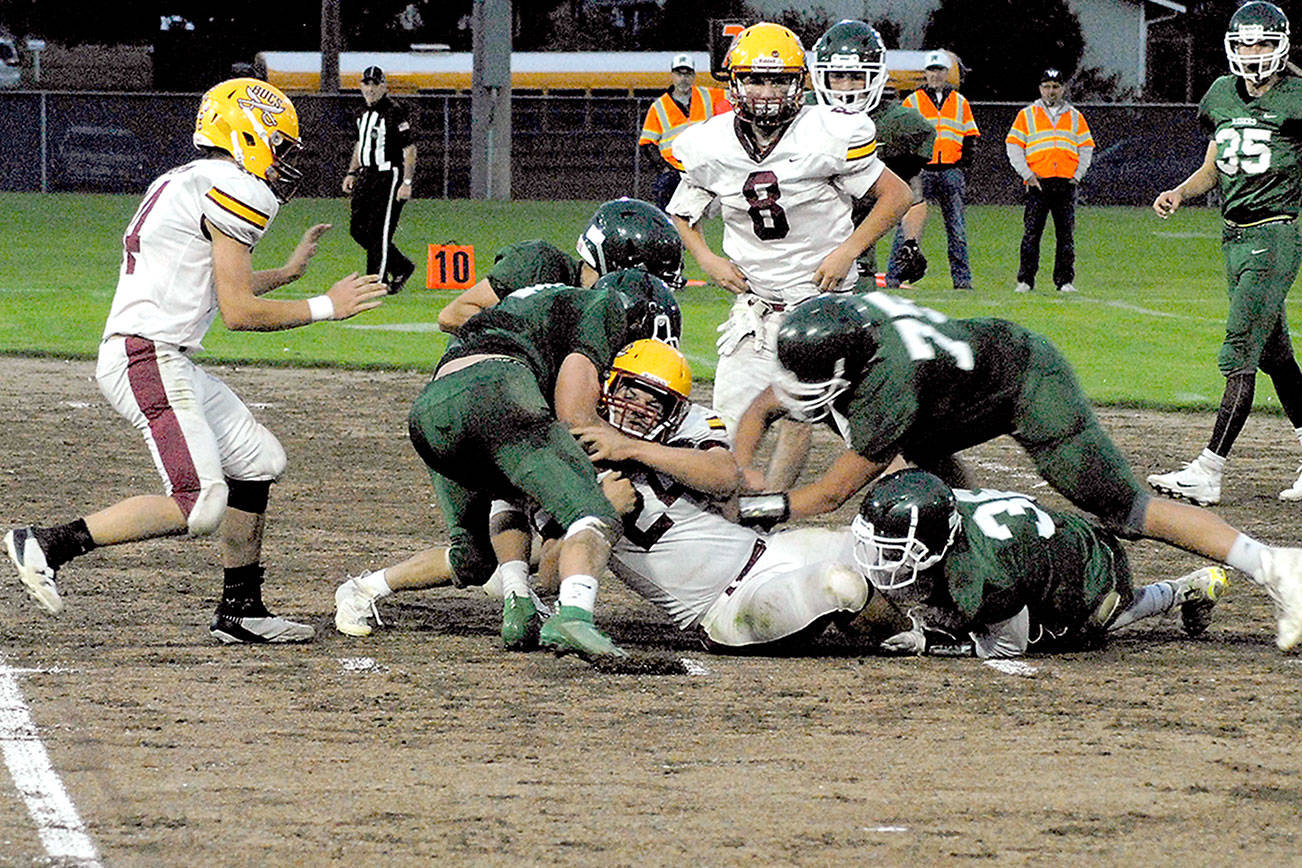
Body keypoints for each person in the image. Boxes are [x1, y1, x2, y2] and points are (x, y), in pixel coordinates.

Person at [3, 77, 387, 643]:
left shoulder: (188, 178)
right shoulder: (236, 186)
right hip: (147, 354)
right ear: (247, 133)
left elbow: (210, 282)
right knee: (200, 503)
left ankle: (241, 610)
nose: (283, 159)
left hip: (157, 353)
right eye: (278, 144)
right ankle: (48, 543)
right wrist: (327, 306)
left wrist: (286, 274)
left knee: (258, 460)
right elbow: (239, 311)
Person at [731, 291, 1302, 651]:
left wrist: (757, 506)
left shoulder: (888, 385)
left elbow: (832, 493)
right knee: (933, 492)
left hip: (1024, 381)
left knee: (1126, 509)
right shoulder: (851, 334)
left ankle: (1275, 565)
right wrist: (740, 471)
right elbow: (764, 405)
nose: (798, 393)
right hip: (950, 393)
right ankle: (966, 579)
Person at [337, 339, 875, 652]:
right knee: (840, 585)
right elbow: (552, 570)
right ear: (608, 386)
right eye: (632, 394)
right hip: (723, 606)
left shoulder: (684, 426)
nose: (640, 408)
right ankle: (369, 586)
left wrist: (632, 449)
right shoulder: (561, 448)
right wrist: (596, 520)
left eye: (654, 402)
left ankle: (913, 638)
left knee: (872, 549)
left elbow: (724, 475)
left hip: (768, 552)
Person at [664, 21, 911, 494]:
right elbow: (682, 210)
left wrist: (849, 250)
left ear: (799, 83)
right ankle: (737, 519)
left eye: (778, 80)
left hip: (826, 311)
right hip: (756, 312)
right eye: (755, 79)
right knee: (724, 437)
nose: (766, 92)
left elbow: (896, 195)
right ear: (734, 82)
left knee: (870, 437)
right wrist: (706, 258)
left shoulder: (827, 133)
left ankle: (930, 507)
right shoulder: (710, 144)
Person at [404, 271, 681, 659]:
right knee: (595, 509)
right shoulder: (605, 307)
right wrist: (619, 456)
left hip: (429, 419)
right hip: (493, 391)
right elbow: (574, 414)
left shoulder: (543, 303)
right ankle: (575, 616)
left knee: (477, 550)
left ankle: (518, 604)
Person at [1148, 1, 1302, 507]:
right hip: (1233, 237)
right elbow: (1213, 167)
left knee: (1240, 351)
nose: (1253, 53)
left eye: (1263, 43)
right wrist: (1179, 192)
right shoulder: (1220, 93)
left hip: (1274, 235)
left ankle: (1209, 470)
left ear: (1281, 45)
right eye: (1245, 44)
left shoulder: (1298, 97)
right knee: (1275, 354)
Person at [849, 469, 1229, 658]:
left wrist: (932, 642)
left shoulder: (988, 573)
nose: (883, 558)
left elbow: (1008, 647)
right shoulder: (941, 509)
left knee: (1085, 630)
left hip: (1091, 567)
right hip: (1045, 541)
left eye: (895, 549)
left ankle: (1183, 590)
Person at [806, 19, 936, 291]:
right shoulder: (799, 115)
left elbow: (911, 194)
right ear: (822, 76)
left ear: (875, 77)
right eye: (838, 76)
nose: (846, 87)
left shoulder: (897, 124)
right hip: (792, 259)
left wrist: (911, 242)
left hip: (856, 263)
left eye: (856, 76)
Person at [436, 197, 684, 334]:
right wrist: (532, 340)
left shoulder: (622, 309)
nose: (649, 289)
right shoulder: (538, 265)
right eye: (649, 277)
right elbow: (452, 315)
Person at [897, 50, 980, 291]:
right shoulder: (912, 101)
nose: (935, 75)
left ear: (946, 73)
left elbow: (970, 136)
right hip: (921, 171)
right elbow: (902, 135)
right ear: (925, 73)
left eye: (940, 70)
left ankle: (962, 281)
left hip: (951, 171)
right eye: (932, 70)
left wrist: (962, 165)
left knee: (957, 229)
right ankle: (896, 277)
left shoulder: (960, 102)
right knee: (908, 227)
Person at [1006, 67, 1094, 294]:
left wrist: (1077, 174)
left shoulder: (1075, 116)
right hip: (1038, 183)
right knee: (1031, 234)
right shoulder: (1027, 115)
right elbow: (1013, 145)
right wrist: (1026, 174)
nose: (1051, 91)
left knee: (1065, 235)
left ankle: (1064, 281)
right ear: (1040, 89)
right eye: (1046, 87)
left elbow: (1086, 147)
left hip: (1065, 183)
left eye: (1055, 87)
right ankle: (1025, 280)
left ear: (1062, 89)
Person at [342, 65, 416, 294]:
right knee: (358, 229)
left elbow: (409, 148)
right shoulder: (360, 113)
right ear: (361, 86)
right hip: (367, 174)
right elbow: (360, 144)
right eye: (367, 84)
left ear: (384, 86)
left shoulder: (394, 111)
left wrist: (406, 182)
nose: (371, 89)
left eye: (375, 84)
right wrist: (352, 172)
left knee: (379, 231)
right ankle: (401, 266)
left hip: (388, 174)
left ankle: (376, 281)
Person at [638, 54, 731, 211]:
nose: (683, 79)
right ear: (672, 75)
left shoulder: (708, 95)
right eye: (679, 74)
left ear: (694, 76)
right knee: (668, 210)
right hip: (675, 170)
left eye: (687, 74)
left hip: (704, 167)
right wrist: (664, 169)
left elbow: (734, 95)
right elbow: (647, 143)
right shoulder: (659, 106)